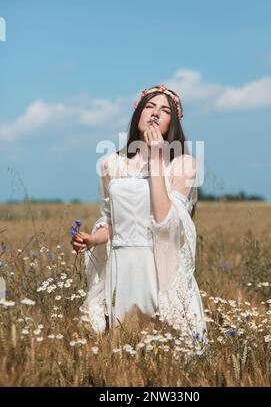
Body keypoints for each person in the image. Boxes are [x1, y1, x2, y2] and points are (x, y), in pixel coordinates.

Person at [71, 84, 208, 349]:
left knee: (164, 349)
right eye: (150, 106)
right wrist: (93, 239)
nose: (156, 113)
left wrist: (156, 156)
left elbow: (165, 221)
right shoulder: (111, 163)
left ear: (172, 122)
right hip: (122, 265)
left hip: (158, 268)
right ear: (138, 114)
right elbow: (112, 220)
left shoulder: (184, 165)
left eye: (165, 110)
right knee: (119, 348)